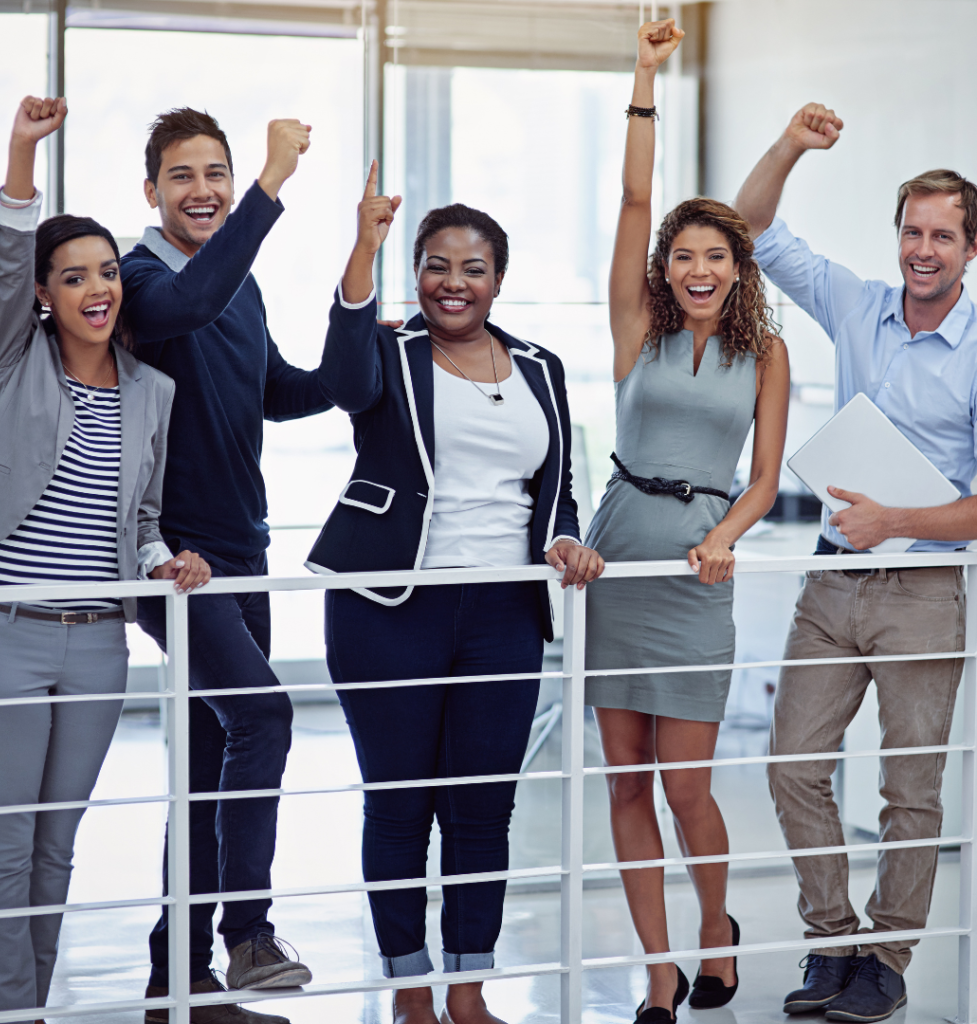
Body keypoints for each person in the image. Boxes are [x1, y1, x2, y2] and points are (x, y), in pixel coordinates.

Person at [303, 161, 604, 1024]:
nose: (453, 283)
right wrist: (364, 245)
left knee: (482, 809)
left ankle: (468, 989)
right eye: (437, 264)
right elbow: (341, 375)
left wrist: (564, 537)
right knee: (400, 804)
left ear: (498, 280)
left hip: (504, 612)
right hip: (389, 606)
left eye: (473, 268)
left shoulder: (541, 367)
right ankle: (409, 991)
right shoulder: (388, 354)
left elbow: (557, 484)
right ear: (416, 272)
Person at [0, 96, 209, 1022]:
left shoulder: (153, 392)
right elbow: (3, 261)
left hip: (100, 645)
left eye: (107, 272)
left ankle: (36, 1004)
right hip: (8, 640)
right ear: (45, 296)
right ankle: (12, 1013)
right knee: (7, 844)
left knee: (58, 844)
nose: (97, 287)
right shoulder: (17, 364)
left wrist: (166, 559)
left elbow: (139, 519)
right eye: (74, 277)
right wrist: (22, 149)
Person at [733, 103, 977, 1023]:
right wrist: (792, 143)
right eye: (913, 231)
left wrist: (900, 519)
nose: (923, 249)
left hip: (925, 590)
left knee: (909, 791)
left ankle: (889, 958)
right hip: (832, 581)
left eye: (943, 235)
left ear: (970, 249)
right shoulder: (858, 304)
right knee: (793, 764)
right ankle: (832, 941)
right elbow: (752, 227)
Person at [120, 107, 356, 1020]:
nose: (205, 189)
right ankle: (247, 936)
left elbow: (285, 391)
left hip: (245, 554)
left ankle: (174, 969)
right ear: (153, 192)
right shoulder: (141, 279)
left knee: (218, 755)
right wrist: (271, 181)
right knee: (263, 716)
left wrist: (359, 324)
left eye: (217, 173)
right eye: (184, 175)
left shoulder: (238, 287)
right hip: (175, 557)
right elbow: (189, 306)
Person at [582, 21, 791, 1024]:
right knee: (624, 783)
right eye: (683, 255)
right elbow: (631, 196)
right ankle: (658, 970)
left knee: (686, 787)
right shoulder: (635, 330)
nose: (697, 269)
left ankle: (717, 929)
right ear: (664, 264)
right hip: (617, 559)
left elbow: (762, 477)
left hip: (699, 578)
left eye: (716, 256)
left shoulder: (767, 355)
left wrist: (727, 537)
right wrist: (643, 79)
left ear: (736, 266)